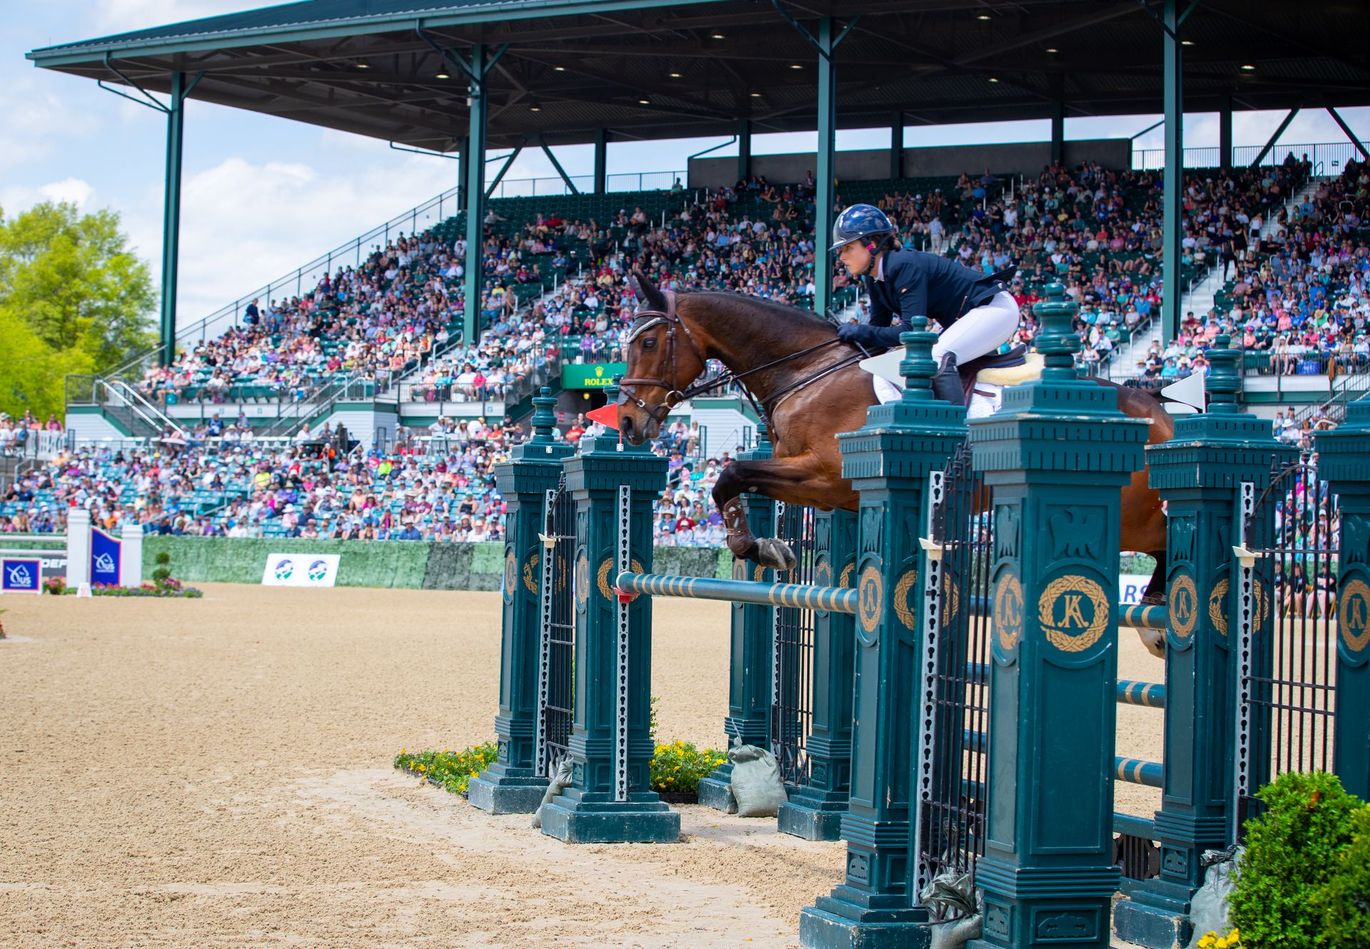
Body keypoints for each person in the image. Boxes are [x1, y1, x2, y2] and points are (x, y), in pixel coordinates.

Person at [830, 204, 1018, 405]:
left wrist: (858, 331)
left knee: (936, 357)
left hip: (993, 308)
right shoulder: (874, 278)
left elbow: (910, 332)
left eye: (848, 248)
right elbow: (880, 329)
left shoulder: (903, 265)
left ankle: (956, 432)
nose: (841, 257)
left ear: (871, 244)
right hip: (969, 316)